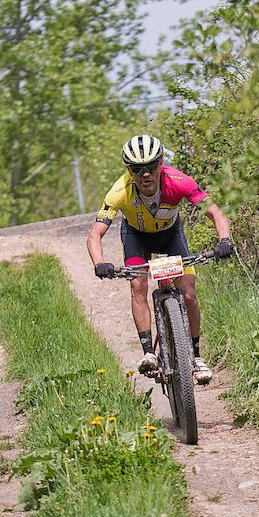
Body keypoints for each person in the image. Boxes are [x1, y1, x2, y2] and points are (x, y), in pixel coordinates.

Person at [87, 134, 233, 383]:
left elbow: (216, 213)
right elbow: (94, 234)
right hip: (137, 237)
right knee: (138, 285)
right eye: (137, 169)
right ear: (129, 171)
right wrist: (99, 263)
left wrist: (225, 240)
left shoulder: (178, 181)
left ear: (161, 163)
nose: (145, 174)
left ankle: (196, 356)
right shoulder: (120, 191)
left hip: (171, 235)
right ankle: (148, 353)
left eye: (151, 167)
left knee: (188, 292)